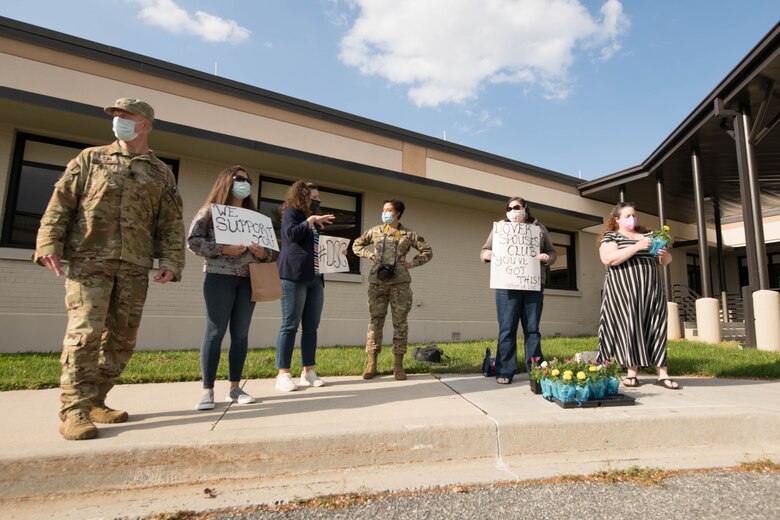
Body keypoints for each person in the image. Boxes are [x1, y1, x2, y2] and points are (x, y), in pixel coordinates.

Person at [34, 98, 185, 440]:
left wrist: (172, 263)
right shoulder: (90, 159)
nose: (118, 121)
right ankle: (73, 410)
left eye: (125, 117)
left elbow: (172, 224)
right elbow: (60, 204)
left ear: (145, 124)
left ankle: (95, 399)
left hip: (134, 265)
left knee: (122, 339)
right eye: (116, 116)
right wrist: (48, 244)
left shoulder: (160, 172)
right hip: (90, 260)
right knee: (85, 333)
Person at [187, 166, 272, 410]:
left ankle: (234, 388)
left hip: (248, 280)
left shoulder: (255, 216)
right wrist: (222, 249)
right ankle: (207, 390)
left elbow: (270, 253)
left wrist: (261, 251)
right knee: (215, 332)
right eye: (240, 179)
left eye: (248, 180)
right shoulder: (211, 211)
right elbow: (192, 241)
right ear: (227, 180)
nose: (245, 183)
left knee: (241, 334)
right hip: (218, 278)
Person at [596, 202, 679, 389]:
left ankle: (662, 373)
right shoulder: (611, 237)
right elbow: (609, 259)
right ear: (617, 219)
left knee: (656, 327)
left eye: (634, 215)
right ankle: (632, 373)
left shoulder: (649, 236)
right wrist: (637, 246)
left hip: (651, 291)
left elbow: (665, 261)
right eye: (627, 216)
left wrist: (663, 253)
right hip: (625, 292)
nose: (632, 219)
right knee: (631, 327)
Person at [352, 199, 433, 380]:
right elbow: (356, 245)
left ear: (398, 213)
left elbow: (427, 251)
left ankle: (398, 365)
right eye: (383, 210)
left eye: (388, 210)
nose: (385, 213)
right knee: (375, 321)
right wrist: (370, 255)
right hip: (377, 282)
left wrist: (411, 263)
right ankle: (371, 363)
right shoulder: (375, 231)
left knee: (400, 323)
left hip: (400, 284)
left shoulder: (408, 234)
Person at [480, 197, 557, 384]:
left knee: (532, 330)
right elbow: (485, 250)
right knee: (507, 328)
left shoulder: (539, 229)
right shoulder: (500, 228)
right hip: (507, 286)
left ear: (525, 209)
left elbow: (553, 253)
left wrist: (547, 258)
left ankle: (536, 369)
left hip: (533, 285)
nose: (513, 210)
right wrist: (487, 255)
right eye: (510, 208)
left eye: (517, 207)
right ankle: (505, 370)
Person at [274, 181, 335, 391]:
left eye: (318, 198)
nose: (317, 201)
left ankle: (308, 371)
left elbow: (316, 249)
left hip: (315, 278)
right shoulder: (291, 213)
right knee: (289, 325)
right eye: (313, 197)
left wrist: (336, 254)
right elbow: (291, 235)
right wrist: (310, 220)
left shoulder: (316, 223)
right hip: (293, 276)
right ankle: (283, 374)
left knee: (311, 327)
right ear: (302, 197)